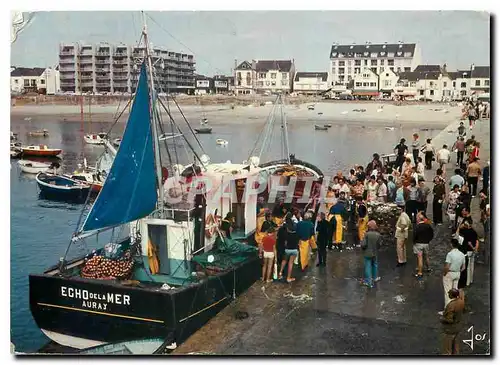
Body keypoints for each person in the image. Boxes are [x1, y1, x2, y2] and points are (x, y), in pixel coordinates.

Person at [440, 239, 466, 315]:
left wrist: (444, 273)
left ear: (451, 245)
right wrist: (458, 271)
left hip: (450, 273)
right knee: (455, 292)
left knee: (448, 292)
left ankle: (447, 310)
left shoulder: (450, 254)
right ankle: (455, 308)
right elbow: (463, 267)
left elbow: (447, 266)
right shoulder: (462, 254)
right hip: (457, 274)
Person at [440, 288, 465, 355]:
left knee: (447, 349)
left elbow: (449, 320)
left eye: (449, 294)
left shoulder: (451, 305)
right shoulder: (461, 302)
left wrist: (442, 318)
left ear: (452, 295)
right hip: (457, 327)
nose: (448, 295)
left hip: (450, 330)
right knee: (456, 348)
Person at [413, 211, 434, 280]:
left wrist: (414, 242)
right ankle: (428, 268)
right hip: (426, 243)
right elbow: (432, 234)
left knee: (420, 258)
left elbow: (414, 235)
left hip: (418, 244)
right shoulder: (428, 226)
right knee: (426, 256)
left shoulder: (417, 226)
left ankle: (420, 272)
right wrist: (428, 240)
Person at [361, 220, 382, 288]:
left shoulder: (367, 234)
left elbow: (363, 244)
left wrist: (362, 246)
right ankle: (375, 277)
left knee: (368, 267)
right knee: (375, 264)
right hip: (375, 253)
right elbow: (379, 244)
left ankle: (369, 282)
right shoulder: (378, 235)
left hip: (367, 253)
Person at [457, 220, 478, 286]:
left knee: (468, 267)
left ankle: (467, 281)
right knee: (472, 265)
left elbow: (457, 233)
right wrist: (475, 249)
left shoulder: (465, 232)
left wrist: (460, 226)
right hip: (473, 251)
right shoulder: (474, 231)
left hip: (468, 250)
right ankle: (471, 280)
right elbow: (477, 241)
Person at [279, 217, 299, 283]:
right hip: (294, 250)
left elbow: (285, 243)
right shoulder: (296, 234)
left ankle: (280, 273)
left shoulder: (287, 235)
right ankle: (288, 278)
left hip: (287, 250)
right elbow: (298, 242)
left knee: (284, 261)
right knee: (291, 264)